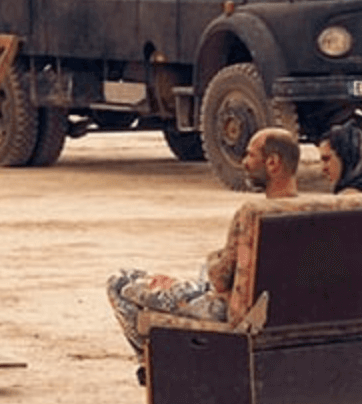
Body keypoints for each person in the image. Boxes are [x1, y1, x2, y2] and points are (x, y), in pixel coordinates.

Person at [105, 126, 301, 368]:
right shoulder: (314, 214)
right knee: (199, 270)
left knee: (120, 281)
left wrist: (213, 262)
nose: (244, 162)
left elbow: (219, 280)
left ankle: (149, 366)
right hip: (283, 311)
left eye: (250, 155)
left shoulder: (252, 216)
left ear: (272, 163)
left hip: (226, 310)